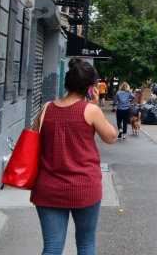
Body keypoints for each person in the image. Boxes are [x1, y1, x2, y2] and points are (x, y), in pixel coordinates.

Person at [30, 57, 117, 255]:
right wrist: (94, 106)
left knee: (52, 247)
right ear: (89, 87)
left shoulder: (46, 109)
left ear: (67, 82)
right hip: (84, 187)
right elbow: (111, 137)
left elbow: (34, 139)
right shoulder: (91, 110)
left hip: (48, 188)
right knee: (86, 244)